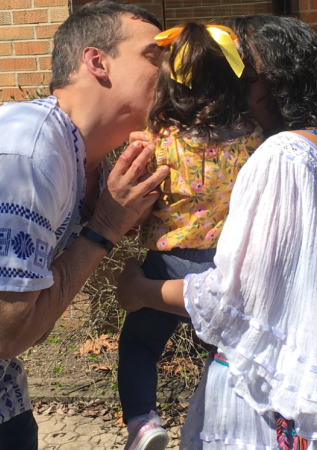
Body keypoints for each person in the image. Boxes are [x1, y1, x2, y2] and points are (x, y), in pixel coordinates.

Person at [117, 15, 317, 450]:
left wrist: (140, 290)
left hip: (267, 405)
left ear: (272, 82)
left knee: (140, 344)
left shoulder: (281, 156)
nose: (233, 89)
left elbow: (236, 300)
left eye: (243, 75)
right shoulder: (316, 149)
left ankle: (141, 420)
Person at [0, 1, 168, 448]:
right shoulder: (24, 153)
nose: (171, 72)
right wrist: (104, 227)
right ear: (97, 62)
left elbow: (30, 326)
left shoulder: (85, 164)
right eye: (155, 56)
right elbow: (6, 332)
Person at [117, 22, 263, 450]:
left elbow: (137, 203)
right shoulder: (253, 139)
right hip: (225, 268)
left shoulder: (156, 142)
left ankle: (143, 422)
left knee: (140, 345)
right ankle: (227, 423)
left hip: (166, 265)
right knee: (223, 354)